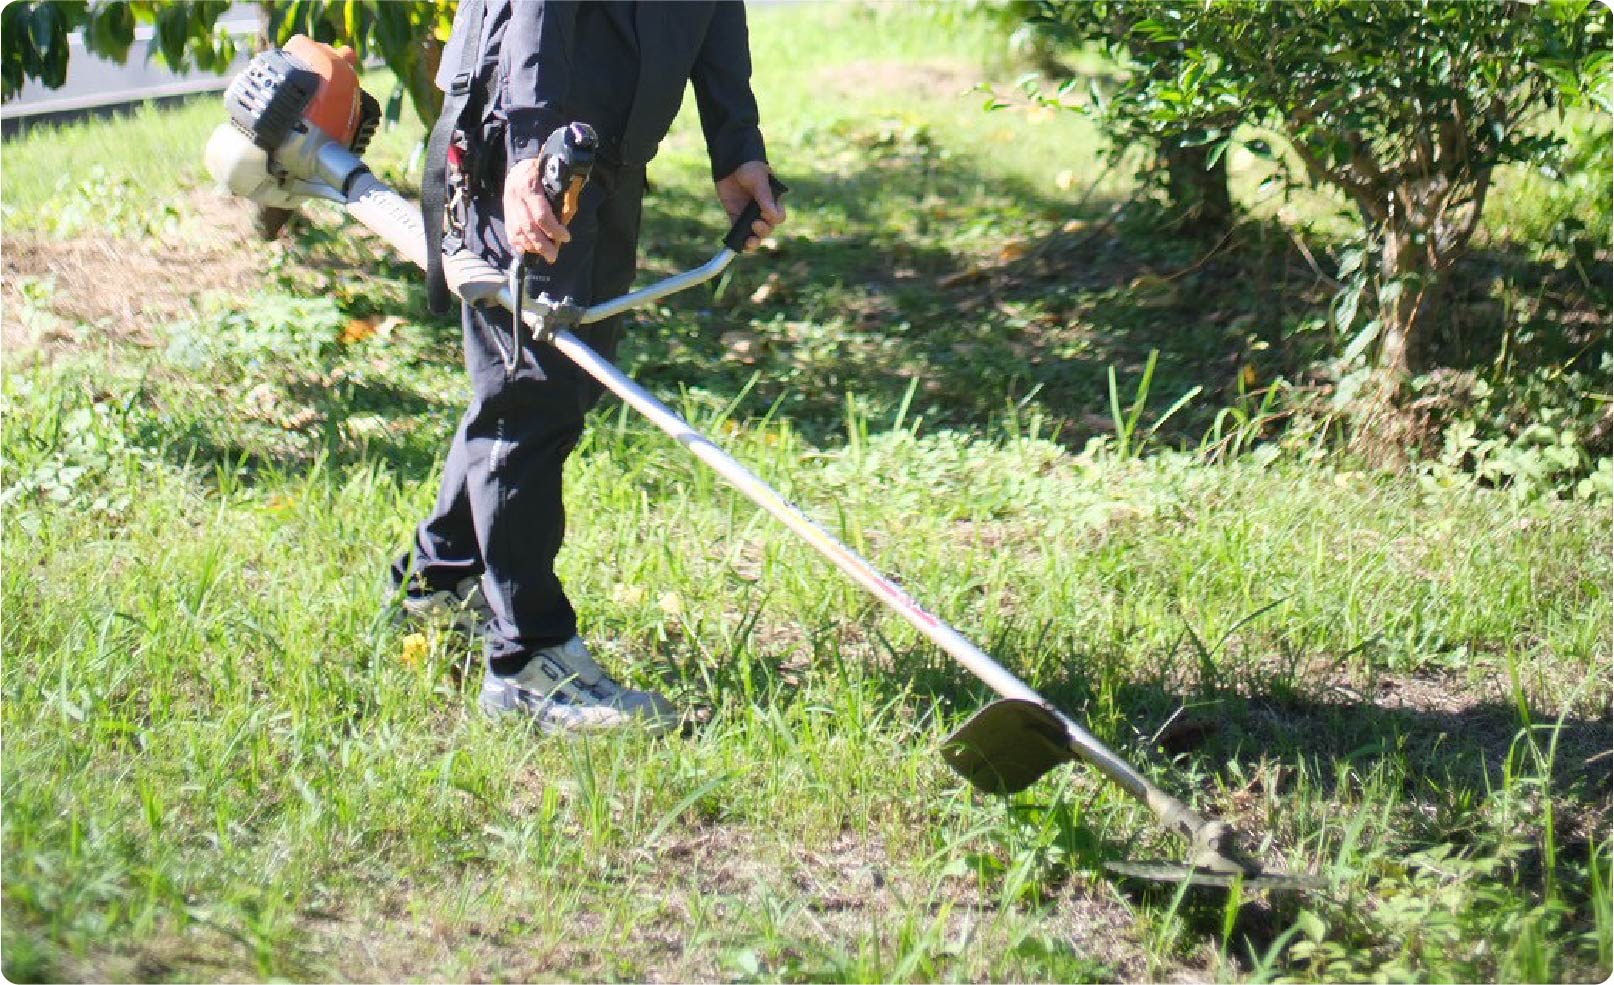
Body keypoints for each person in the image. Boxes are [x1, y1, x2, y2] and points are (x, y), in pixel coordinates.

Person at [392, 0, 785, 733]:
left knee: (561, 383)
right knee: (529, 391)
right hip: (530, 139)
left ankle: (440, 578)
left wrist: (737, 144)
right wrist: (530, 144)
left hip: (612, 152)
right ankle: (526, 660)